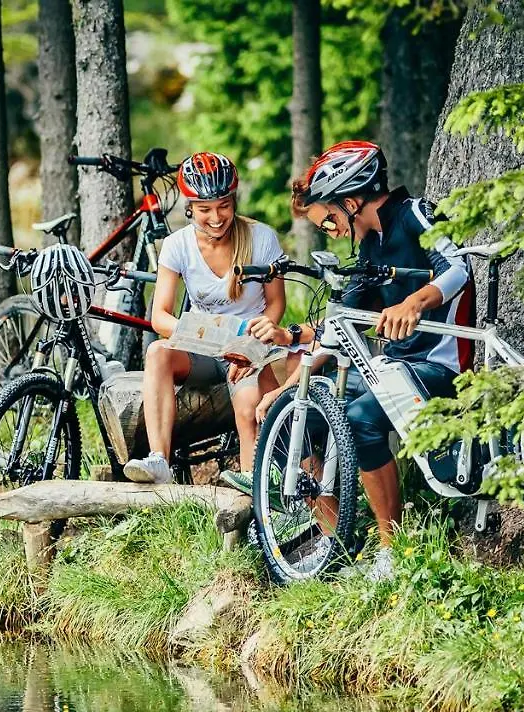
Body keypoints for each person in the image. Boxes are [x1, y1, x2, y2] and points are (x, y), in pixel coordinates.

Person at [253, 140, 474, 578]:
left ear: (352, 200)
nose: (331, 231)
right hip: (394, 372)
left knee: (359, 419)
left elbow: (458, 267)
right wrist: (284, 383)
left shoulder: (416, 215)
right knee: (309, 419)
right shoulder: (370, 248)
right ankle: (338, 544)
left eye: (329, 219)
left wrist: (414, 302)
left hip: (439, 365)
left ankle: (394, 549)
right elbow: (340, 325)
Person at [121, 152, 297, 486]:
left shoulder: (262, 239)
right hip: (203, 347)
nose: (216, 217)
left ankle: (255, 493)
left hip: (248, 347)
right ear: (189, 208)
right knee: (157, 352)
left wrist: (250, 347)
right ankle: (159, 461)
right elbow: (160, 316)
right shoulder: (177, 245)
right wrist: (201, 337)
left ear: (233, 201)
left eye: (223, 206)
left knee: (248, 406)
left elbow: (275, 305)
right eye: (204, 210)